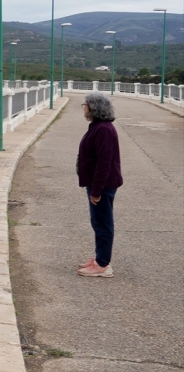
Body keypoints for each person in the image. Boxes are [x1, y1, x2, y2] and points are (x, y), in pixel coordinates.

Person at [76, 93, 122, 277]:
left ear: (94, 107)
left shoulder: (103, 129)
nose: (83, 107)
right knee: (98, 222)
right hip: (99, 183)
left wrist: (96, 190)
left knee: (103, 223)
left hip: (103, 184)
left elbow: (104, 162)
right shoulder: (97, 126)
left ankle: (103, 265)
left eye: (85, 104)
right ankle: (100, 257)